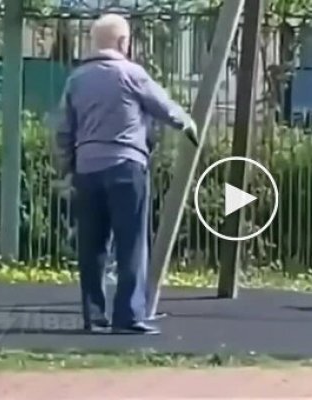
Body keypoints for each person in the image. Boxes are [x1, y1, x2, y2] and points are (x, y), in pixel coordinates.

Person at [52, 13, 198, 335]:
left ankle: (94, 316)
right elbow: (164, 107)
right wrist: (188, 124)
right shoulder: (131, 74)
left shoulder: (76, 80)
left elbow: (64, 130)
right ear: (122, 42)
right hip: (126, 167)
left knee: (92, 246)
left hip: (87, 170)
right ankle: (128, 317)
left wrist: (67, 169)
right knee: (131, 243)